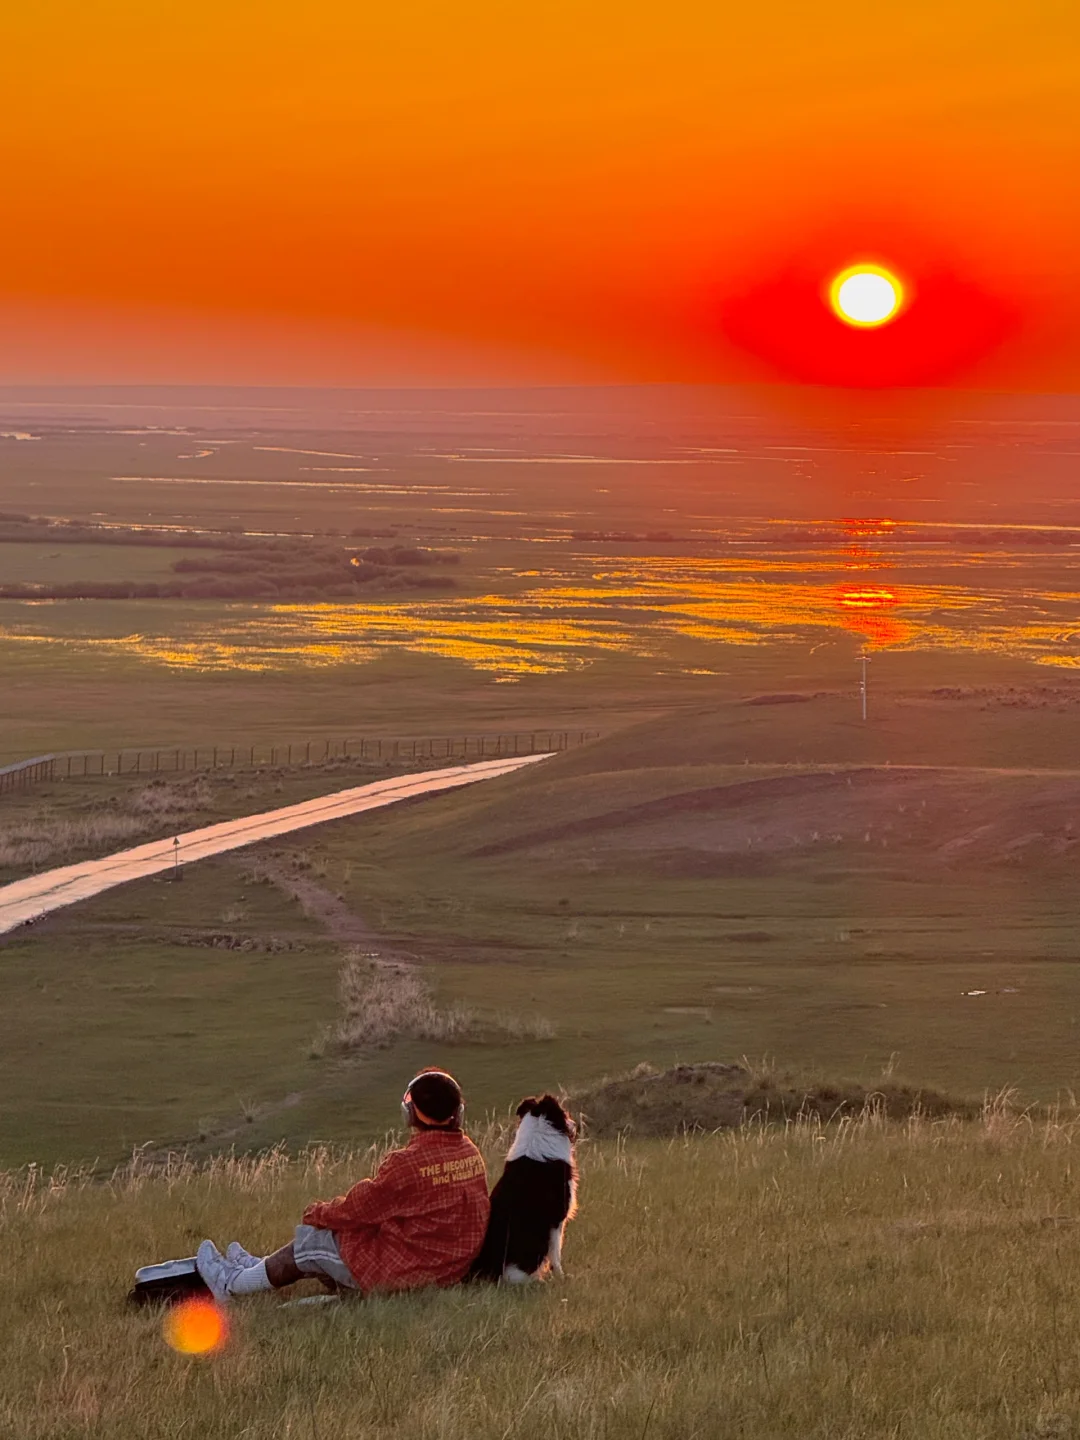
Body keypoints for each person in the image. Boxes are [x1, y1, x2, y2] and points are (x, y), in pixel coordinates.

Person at [195, 1068, 489, 1303]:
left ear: (410, 1114)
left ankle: (232, 1285)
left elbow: (356, 1209)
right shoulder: (469, 1152)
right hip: (448, 1265)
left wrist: (317, 1213)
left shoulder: (406, 1163)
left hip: (410, 1269)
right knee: (338, 1238)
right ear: (457, 1112)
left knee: (314, 1241)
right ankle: (256, 1268)